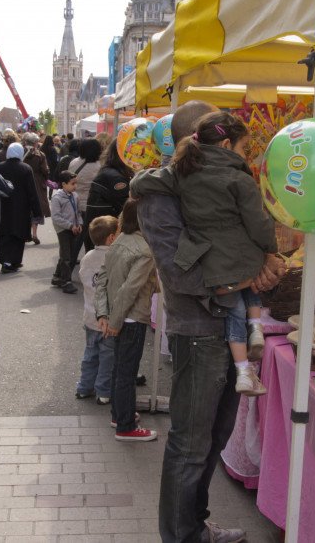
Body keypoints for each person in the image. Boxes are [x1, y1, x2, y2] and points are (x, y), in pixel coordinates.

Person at [130, 100, 284, 542]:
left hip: (227, 325)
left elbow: (241, 236)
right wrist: (244, 276)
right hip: (198, 330)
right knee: (190, 443)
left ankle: (195, 527)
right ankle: (182, 535)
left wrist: (263, 263)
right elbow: (179, 271)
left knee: (214, 438)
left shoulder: (214, 180)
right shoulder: (161, 192)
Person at [165, 111, 276, 395]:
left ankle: (243, 372)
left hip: (211, 263)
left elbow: (151, 180)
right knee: (251, 285)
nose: (245, 154)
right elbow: (258, 223)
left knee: (234, 309)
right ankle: (256, 329)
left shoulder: (183, 173)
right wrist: (271, 249)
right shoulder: (239, 179)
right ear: (227, 145)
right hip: (243, 257)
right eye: (243, 148)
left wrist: (138, 183)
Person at [94, 199, 159, 441]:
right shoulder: (144, 250)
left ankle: (120, 414)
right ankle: (125, 425)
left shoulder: (119, 241)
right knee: (126, 372)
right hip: (130, 318)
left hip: (117, 315)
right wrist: (114, 321)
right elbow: (130, 290)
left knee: (120, 369)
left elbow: (102, 280)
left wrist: (104, 315)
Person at [76, 215, 118, 404]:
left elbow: (85, 280)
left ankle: (84, 387)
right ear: (111, 238)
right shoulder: (114, 257)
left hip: (90, 316)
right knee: (107, 357)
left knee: (90, 354)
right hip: (107, 318)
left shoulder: (87, 258)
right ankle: (103, 391)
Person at [0, 142, 42, 273]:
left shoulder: (0, 167)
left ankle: (5, 260)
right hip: (21, 207)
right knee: (18, 234)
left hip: (3, 205)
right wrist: (37, 210)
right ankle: (13, 261)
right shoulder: (25, 168)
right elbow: (32, 191)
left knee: (5, 233)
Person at [83, 141, 133, 251]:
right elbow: (127, 208)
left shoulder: (108, 171)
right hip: (106, 237)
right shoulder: (116, 177)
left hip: (99, 234)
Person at [66, 138, 103, 267]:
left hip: (73, 203)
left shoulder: (74, 162)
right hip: (89, 205)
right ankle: (86, 262)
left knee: (75, 236)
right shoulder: (98, 167)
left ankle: (68, 263)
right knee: (88, 237)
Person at [50, 171, 83, 294]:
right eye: (72, 184)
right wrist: (69, 225)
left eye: (76, 183)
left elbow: (78, 212)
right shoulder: (57, 198)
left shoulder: (75, 196)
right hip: (63, 229)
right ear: (63, 184)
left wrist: (79, 224)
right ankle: (66, 281)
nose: (75, 186)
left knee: (67, 254)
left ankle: (57, 277)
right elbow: (56, 217)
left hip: (73, 228)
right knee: (66, 257)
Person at [22, 132, 51, 245]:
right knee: (36, 208)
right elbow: (45, 170)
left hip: (24, 182)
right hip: (37, 182)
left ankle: (26, 234)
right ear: (35, 143)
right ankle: (34, 234)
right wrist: (46, 174)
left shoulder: (21, 153)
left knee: (25, 208)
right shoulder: (40, 155)